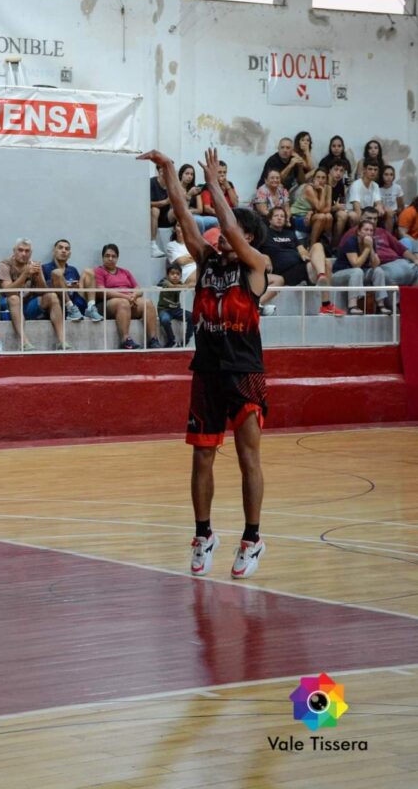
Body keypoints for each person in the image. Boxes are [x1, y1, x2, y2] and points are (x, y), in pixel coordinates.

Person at [139, 146, 269, 581]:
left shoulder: (256, 266)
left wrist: (214, 184)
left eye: (228, 234)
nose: (217, 237)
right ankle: (203, 534)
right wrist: (169, 171)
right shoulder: (207, 261)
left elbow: (229, 224)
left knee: (248, 456)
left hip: (244, 372)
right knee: (202, 457)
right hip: (208, 371)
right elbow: (182, 213)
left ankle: (252, 537)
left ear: (244, 239)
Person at [263, 207, 344, 315]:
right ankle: (326, 305)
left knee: (318, 246)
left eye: (282, 216)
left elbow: (301, 250)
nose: (279, 218)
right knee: (326, 264)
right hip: (284, 271)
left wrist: (304, 253)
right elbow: (254, 249)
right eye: (276, 216)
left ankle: (321, 276)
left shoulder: (290, 234)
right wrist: (264, 256)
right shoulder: (264, 233)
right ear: (270, 219)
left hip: (300, 267)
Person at [0, 238, 70, 351]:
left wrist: (39, 275)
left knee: (52, 296)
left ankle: (62, 341)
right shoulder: (4, 265)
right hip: (10, 306)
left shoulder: (34, 265)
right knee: (14, 298)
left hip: (28, 305)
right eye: (20, 250)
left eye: (27, 251)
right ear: (14, 251)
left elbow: (44, 291)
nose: (24, 254)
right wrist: (25, 274)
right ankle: (25, 342)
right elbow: (8, 291)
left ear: (31, 253)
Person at [94, 244, 162, 349]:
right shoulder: (99, 271)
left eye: (113, 256)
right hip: (107, 304)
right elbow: (102, 291)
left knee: (147, 303)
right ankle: (125, 340)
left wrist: (134, 296)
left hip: (129, 301)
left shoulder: (125, 272)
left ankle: (153, 339)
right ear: (103, 257)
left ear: (117, 258)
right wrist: (125, 297)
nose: (110, 258)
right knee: (122, 303)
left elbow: (138, 289)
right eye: (107, 256)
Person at [331, 219, 390, 315]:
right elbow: (356, 264)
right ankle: (352, 306)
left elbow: (376, 264)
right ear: (359, 231)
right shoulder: (351, 241)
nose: (369, 233)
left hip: (359, 274)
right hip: (339, 275)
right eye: (366, 230)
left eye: (371, 231)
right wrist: (367, 248)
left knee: (378, 271)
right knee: (357, 271)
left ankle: (380, 305)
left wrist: (370, 248)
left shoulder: (371, 243)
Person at [42, 239, 103, 323]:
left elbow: (78, 288)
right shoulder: (45, 267)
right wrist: (65, 285)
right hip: (60, 305)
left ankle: (91, 308)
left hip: (76, 303)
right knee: (57, 273)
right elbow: (43, 289)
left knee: (88, 271)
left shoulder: (72, 269)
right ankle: (70, 307)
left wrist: (76, 286)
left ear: (69, 254)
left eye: (67, 249)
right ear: (54, 251)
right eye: (60, 248)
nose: (64, 251)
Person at [290, 168, 333, 247]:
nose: (320, 180)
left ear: (327, 180)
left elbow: (328, 208)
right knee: (321, 216)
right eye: (318, 177)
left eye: (323, 178)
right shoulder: (309, 188)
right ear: (313, 179)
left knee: (329, 216)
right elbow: (320, 208)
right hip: (297, 216)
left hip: (311, 215)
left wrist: (312, 212)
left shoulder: (328, 188)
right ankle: (312, 246)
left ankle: (327, 244)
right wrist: (322, 191)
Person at [157, 262, 193, 347]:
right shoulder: (165, 282)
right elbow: (172, 287)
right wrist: (187, 286)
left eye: (177, 274)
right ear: (167, 275)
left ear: (180, 276)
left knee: (192, 317)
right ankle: (171, 340)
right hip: (164, 309)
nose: (175, 276)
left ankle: (185, 340)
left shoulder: (180, 283)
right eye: (172, 273)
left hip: (176, 310)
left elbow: (190, 285)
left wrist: (189, 285)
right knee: (165, 320)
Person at [178, 163, 218, 233]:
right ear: (181, 174)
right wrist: (189, 195)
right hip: (184, 217)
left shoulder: (195, 188)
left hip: (197, 215)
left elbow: (200, 210)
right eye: (187, 174)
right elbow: (182, 211)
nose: (189, 176)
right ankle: (200, 242)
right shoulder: (177, 189)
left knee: (216, 221)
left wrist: (191, 210)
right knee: (199, 221)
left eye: (191, 174)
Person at [348, 160, 384, 227]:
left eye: (375, 170)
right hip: (356, 211)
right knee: (354, 216)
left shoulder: (375, 185)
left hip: (368, 211)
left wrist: (380, 208)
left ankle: (383, 235)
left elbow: (379, 204)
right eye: (370, 169)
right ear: (364, 170)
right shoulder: (356, 185)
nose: (373, 172)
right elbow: (357, 209)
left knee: (386, 211)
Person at [327, 161, 352, 246]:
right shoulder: (324, 183)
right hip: (323, 211)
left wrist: (347, 189)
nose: (338, 173)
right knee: (342, 215)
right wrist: (335, 207)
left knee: (350, 215)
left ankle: (339, 246)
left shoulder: (340, 184)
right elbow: (321, 207)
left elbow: (342, 202)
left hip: (334, 210)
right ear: (330, 170)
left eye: (341, 171)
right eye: (336, 170)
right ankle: (333, 246)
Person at [150, 163, 173, 257]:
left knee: (178, 210)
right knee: (155, 210)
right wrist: (165, 202)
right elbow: (146, 203)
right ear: (160, 171)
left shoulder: (171, 184)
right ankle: (153, 245)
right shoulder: (152, 182)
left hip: (167, 216)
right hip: (154, 215)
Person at [379, 165, 404, 232]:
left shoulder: (397, 187)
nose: (389, 177)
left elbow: (401, 206)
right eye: (386, 174)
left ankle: (389, 238)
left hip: (393, 214)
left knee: (390, 214)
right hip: (381, 214)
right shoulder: (377, 188)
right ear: (381, 175)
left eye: (391, 174)